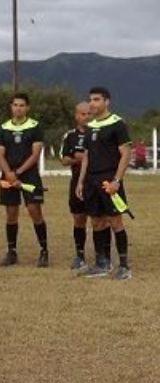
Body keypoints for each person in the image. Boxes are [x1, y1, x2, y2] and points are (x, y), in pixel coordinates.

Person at [76, 86, 132, 280]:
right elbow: (86, 156)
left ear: (107, 102)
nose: (92, 103)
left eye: (97, 99)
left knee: (115, 221)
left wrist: (117, 180)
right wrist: (81, 181)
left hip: (109, 178)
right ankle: (103, 263)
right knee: (97, 221)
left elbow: (126, 154)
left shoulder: (117, 124)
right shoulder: (90, 126)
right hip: (91, 180)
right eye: (91, 99)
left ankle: (124, 267)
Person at [0, 93, 49, 268]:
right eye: (15, 105)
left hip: (29, 175)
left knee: (35, 211)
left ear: (27, 107)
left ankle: (44, 251)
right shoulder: (4, 128)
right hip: (8, 175)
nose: (18, 108)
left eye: (22, 105)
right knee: (11, 214)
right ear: (11, 107)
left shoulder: (35, 127)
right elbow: (0, 154)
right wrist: (8, 173)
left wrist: (18, 172)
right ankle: (12, 252)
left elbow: (35, 154)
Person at [59, 102, 92, 271]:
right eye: (83, 114)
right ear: (76, 116)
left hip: (96, 181)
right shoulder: (70, 136)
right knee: (79, 218)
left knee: (101, 219)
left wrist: (85, 156)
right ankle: (80, 255)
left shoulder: (98, 133)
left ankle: (103, 255)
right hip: (77, 181)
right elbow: (64, 160)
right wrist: (77, 159)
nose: (86, 117)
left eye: (89, 114)